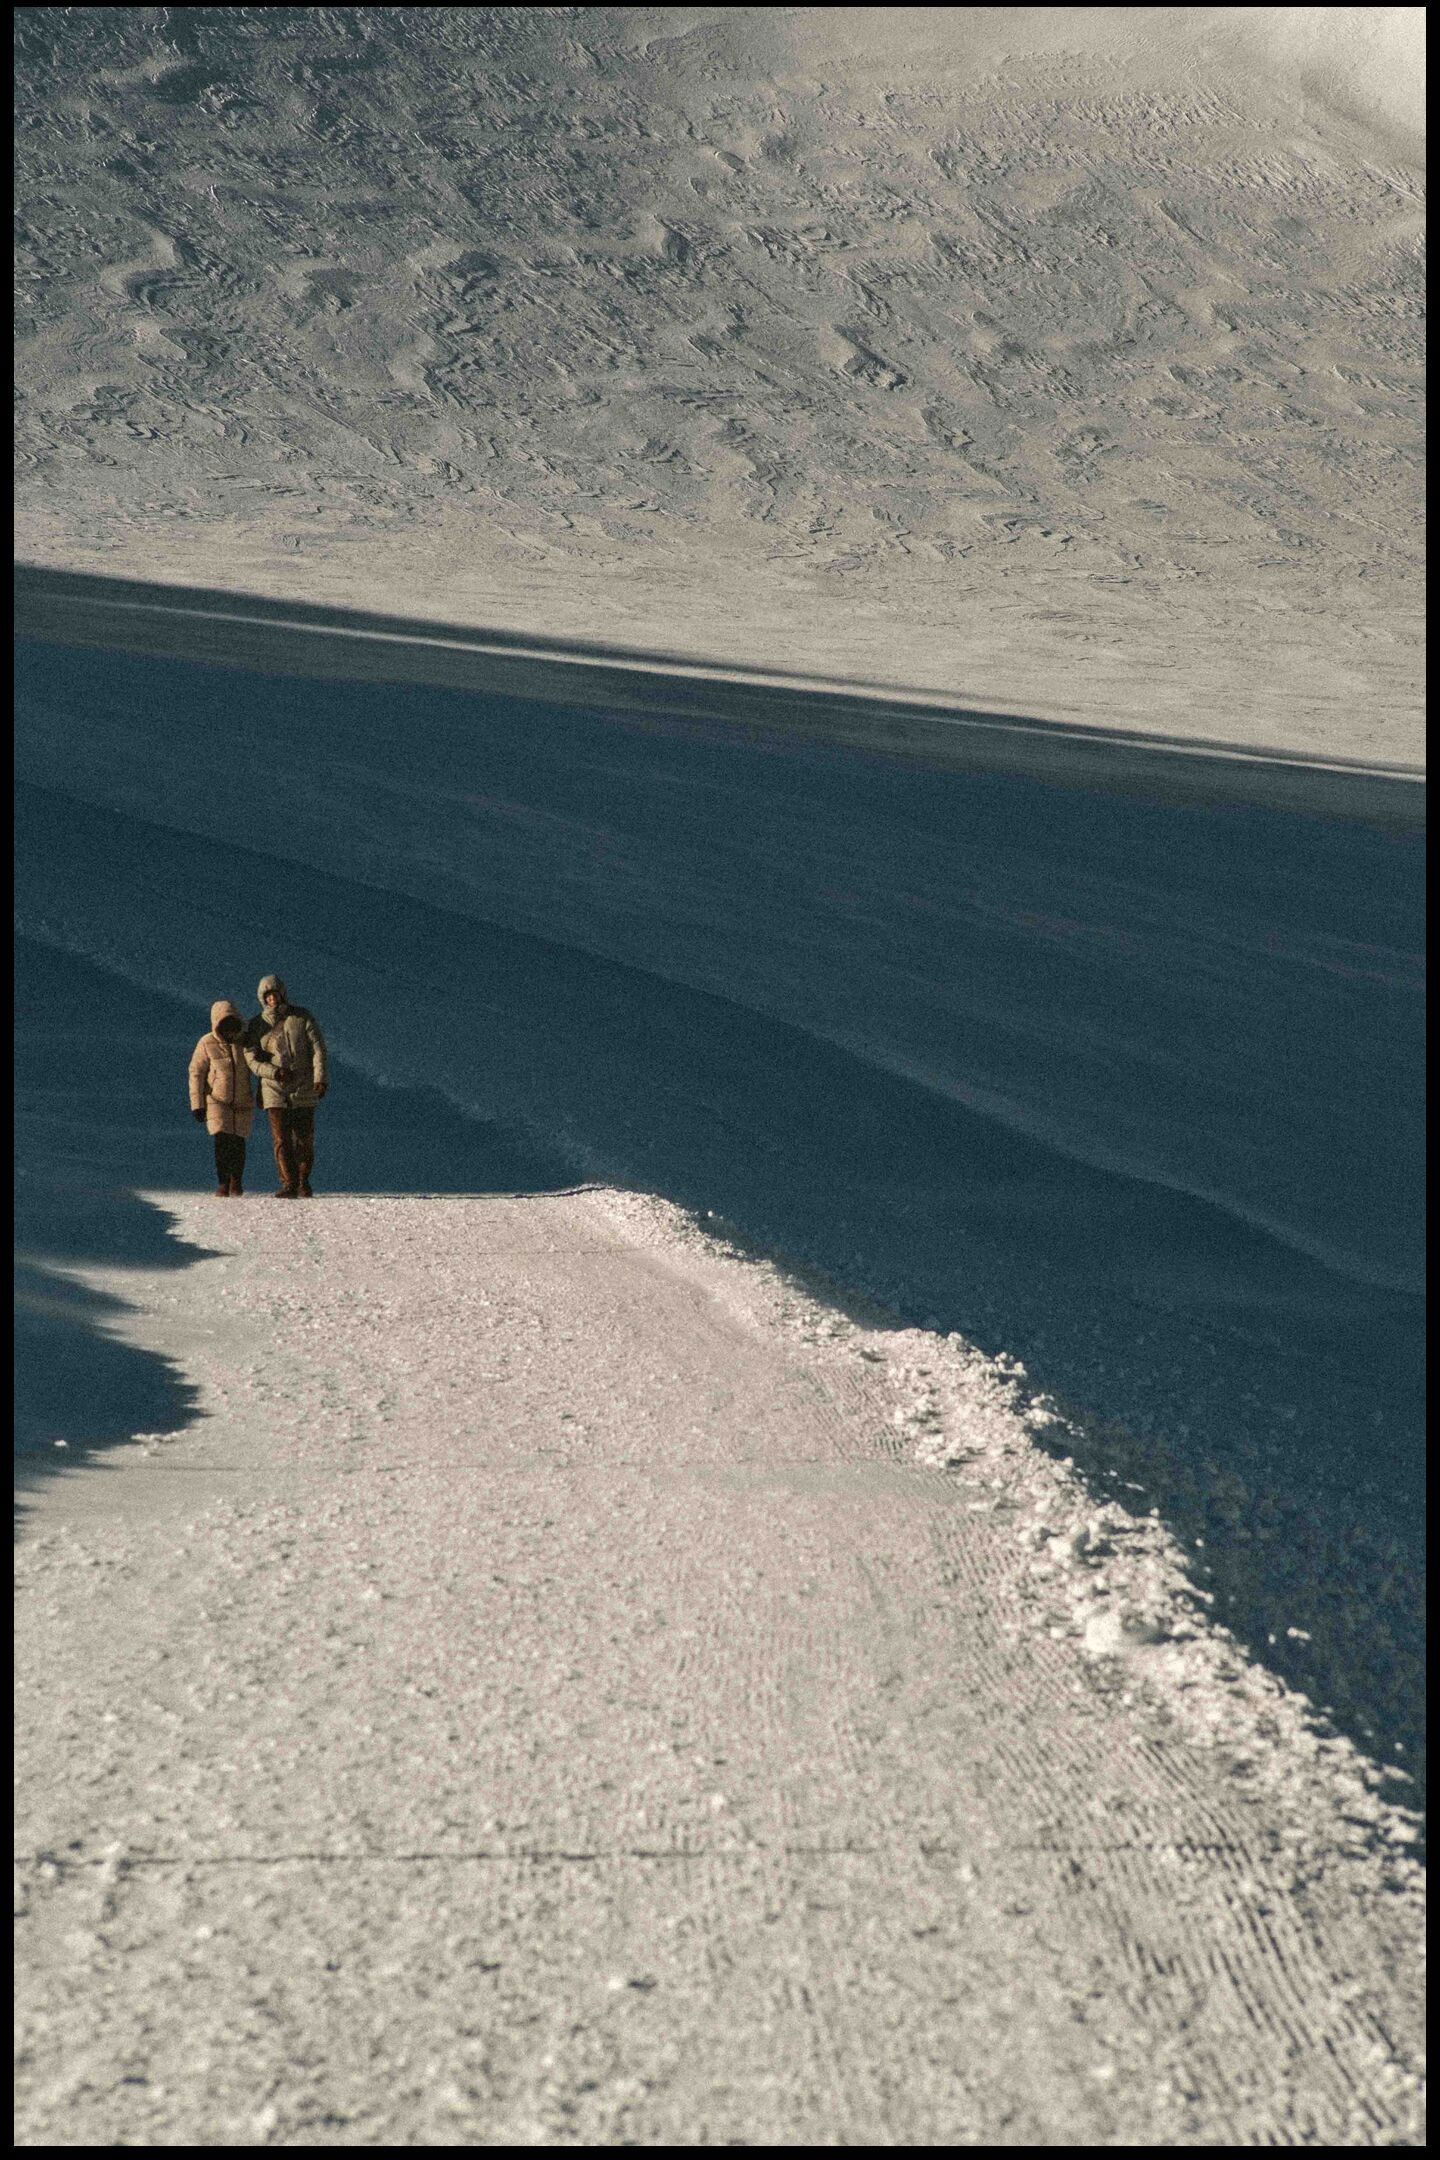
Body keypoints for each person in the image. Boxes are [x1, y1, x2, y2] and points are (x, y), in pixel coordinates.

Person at [244, 973, 329, 1199]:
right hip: (273, 1088)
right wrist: (273, 1072)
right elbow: (251, 1059)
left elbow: (318, 1049)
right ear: (262, 998)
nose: (272, 999)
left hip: (303, 1085)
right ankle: (288, 1183)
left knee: (304, 1138)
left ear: (282, 994)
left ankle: (303, 1181)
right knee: (281, 1140)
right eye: (267, 996)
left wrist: (320, 1078)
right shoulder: (256, 1025)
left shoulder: (302, 1017)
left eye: (275, 994)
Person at [188, 999, 256, 1196]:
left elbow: (256, 1067)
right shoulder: (207, 1042)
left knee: (239, 1142)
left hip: (242, 1101)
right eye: (226, 1027)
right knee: (222, 1141)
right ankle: (223, 1182)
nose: (230, 1032)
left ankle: (237, 1181)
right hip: (216, 1100)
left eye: (233, 1027)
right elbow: (196, 1073)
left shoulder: (245, 1042)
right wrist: (197, 1104)